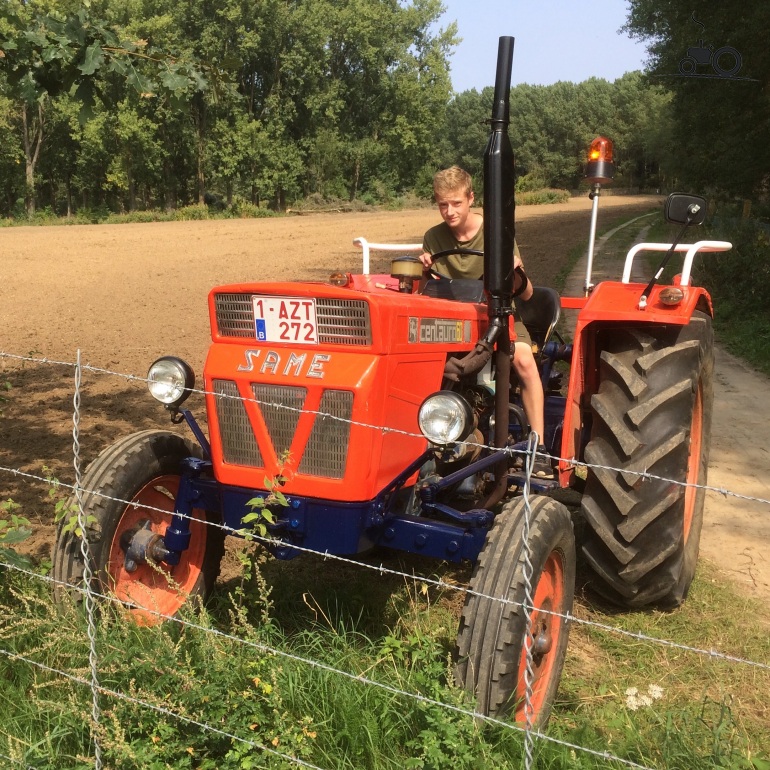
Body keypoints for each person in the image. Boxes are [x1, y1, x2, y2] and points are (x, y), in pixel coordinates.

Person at [420, 166, 552, 478]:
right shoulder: (433, 238)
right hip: (453, 319)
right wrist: (424, 268)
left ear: (471, 199)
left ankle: (539, 445)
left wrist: (513, 270)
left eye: (456, 203)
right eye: (442, 205)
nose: (449, 212)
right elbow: (428, 288)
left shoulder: (495, 232)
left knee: (521, 358)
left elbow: (528, 292)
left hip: (497, 313)